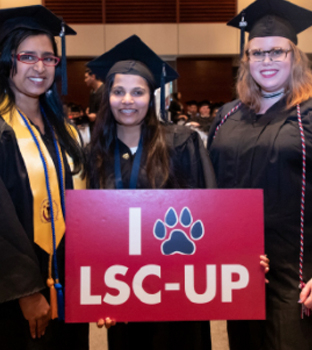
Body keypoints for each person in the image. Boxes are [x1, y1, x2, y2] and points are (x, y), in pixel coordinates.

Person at [208, 0, 312, 349]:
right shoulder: (228, 117)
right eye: (257, 53)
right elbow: (209, 192)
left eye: (277, 51)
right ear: (246, 61)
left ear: (294, 57)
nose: (267, 60)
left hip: (301, 276)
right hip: (241, 272)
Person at [0, 5, 88, 350]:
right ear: (5, 61)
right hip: (8, 298)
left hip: (67, 286)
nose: (40, 67)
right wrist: (26, 292)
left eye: (48, 58)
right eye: (27, 56)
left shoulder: (66, 132)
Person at [85, 34, 216, 350]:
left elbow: (211, 210)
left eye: (137, 92)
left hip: (179, 285)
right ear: (107, 97)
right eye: (118, 91)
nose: (127, 100)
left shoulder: (181, 143)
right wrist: (99, 292)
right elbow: (91, 228)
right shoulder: (96, 153)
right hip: (125, 287)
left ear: (151, 97)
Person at [84, 65, 104, 134]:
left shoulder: (105, 91)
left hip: (103, 129)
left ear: (93, 77)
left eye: (86, 77)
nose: (85, 80)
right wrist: (89, 109)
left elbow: (110, 111)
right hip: (93, 128)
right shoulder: (92, 91)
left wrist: (97, 116)